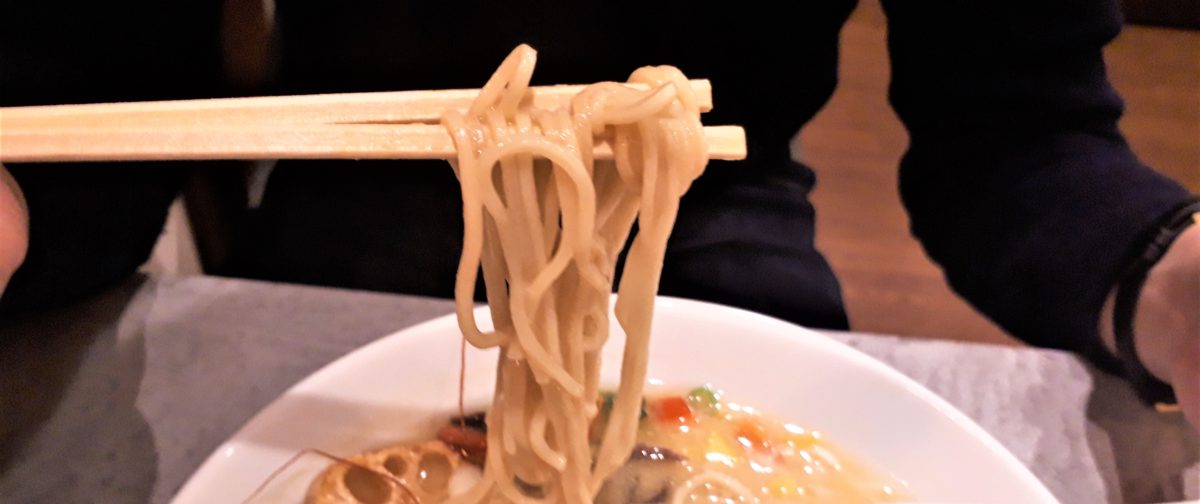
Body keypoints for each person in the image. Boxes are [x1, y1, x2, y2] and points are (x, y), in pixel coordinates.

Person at [1, 1, 1197, 426]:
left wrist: (1171, 275)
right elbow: (105, 96)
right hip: (346, 219)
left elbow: (1021, 136)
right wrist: (25, 215)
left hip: (716, 221)